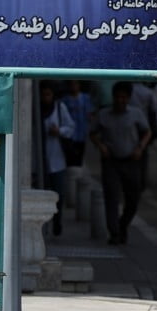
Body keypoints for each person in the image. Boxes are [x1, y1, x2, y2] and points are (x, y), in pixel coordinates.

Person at [90, 82, 151, 245]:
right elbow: (92, 133)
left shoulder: (136, 113)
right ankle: (114, 232)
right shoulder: (104, 114)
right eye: (118, 97)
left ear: (128, 99)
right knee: (111, 197)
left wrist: (140, 147)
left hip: (131, 160)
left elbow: (147, 132)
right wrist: (101, 145)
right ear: (113, 97)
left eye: (124, 98)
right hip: (111, 161)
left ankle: (122, 224)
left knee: (133, 198)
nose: (120, 101)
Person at [39, 81, 74, 236]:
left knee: (58, 194)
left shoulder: (59, 108)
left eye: (48, 94)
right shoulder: (35, 110)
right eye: (43, 94)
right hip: (38, 162)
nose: (46, 98)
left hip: (57, 159)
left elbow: (71, 128)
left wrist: (59, 131)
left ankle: (57, 222)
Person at [59, 79, 93, 167]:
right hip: (70, 134)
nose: (74, 87)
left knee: (80, 157)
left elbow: (89, 113)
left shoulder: (85, 98)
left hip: (81, 132)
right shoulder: (65, 100)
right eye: (72, 84)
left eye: (76, 84)